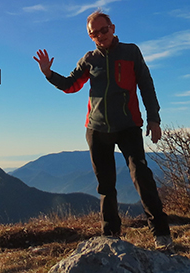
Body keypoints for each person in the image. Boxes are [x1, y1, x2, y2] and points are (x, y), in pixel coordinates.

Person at [33, 10, 173, 250]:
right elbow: (70, 85)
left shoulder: (131, 52)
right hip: (97, 129)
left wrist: (154, 119)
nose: (99, 35)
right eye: (94, 33)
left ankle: (162, 234)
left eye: (103, 30)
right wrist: (48, 74)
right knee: (106, 186)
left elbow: (146, 85)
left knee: (142, 176)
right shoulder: (89, 59)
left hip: (129, 126)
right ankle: (110, 236)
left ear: (113, 28)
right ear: (91, 37)